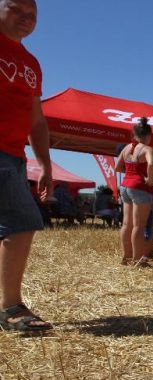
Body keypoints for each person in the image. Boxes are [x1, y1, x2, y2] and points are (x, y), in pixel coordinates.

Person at [0, 0, 53, 332]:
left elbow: (37, 120)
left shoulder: (31, 62)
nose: (26, 18)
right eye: (17, 9)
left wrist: (44, 164)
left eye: (32, 14)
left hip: (15, 155)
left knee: (12, 223)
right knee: (21, 220)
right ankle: (10, 307)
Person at [115, 117, 153, 266]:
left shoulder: (126, 148)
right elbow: (151, 163)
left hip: (125, 186)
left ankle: (126, 257)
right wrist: (150, 179)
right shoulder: (146, 149)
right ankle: (138, 259)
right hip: (139, 187)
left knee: (127, 224)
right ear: (148, 135)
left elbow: (118, 167)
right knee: (139, 225)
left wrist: (131, 172)